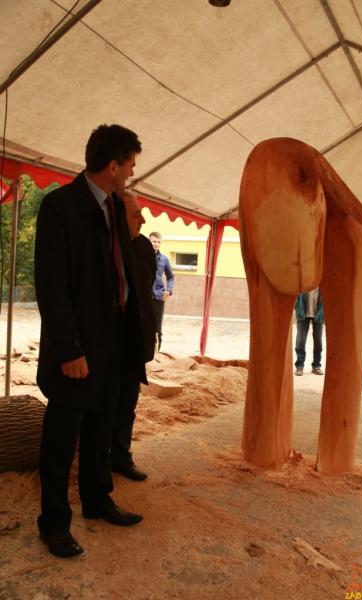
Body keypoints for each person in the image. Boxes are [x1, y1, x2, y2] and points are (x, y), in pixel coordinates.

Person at [35, 124, 147, 559]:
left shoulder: (117, 209)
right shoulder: (60, 207)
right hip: (78, 347)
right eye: (131, 166)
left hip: (114, 340)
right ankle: (54, 523)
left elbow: (120, 272)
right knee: (62, 439)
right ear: (112, 165)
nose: (132, 173)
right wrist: (70, 350)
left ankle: (98, 501)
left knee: (101, 430)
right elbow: (52, 286)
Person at [110, 191, 156, 481]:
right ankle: (99, 461)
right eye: (135, 213)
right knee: (105, 407)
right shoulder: (105, 245)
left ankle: (121, 457)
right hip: (109, 341)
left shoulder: (143, 247)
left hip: (133, 342)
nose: (143, 218)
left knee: (127, 404)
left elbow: (145, 291)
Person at [149, 231, 174, 351]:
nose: (156, 244)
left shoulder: (164, 259)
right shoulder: (144, 257)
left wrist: (168, 291)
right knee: (144, 324)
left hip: (159, 297)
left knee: (157, 327)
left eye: (158, 242)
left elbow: (171, 276)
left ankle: (157, 352)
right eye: (154, 241)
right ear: (149, 242)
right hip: (145, 296)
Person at [294, 287, 324, 376]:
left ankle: (316, 366)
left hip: (318, 314)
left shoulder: (322, 283)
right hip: (303, 313)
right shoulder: (305, 282)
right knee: (300, 341)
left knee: (318, 341)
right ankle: (299, 366)